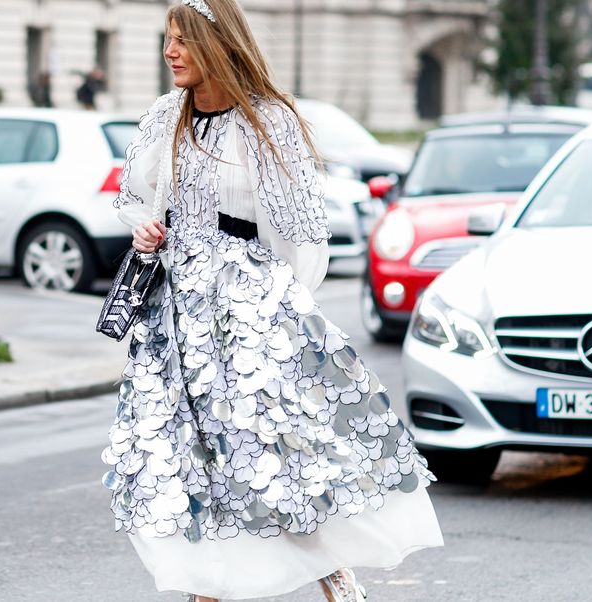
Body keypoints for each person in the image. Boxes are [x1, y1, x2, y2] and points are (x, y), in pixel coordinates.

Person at [101, 2, 443, 601]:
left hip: (247, 318)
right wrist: (148, 227)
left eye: (181, 40)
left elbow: (302, 235)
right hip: (174, 318)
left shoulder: (266, 120)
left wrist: (270, 312)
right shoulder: (163, 117)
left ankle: (334, 573)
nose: (170, 52)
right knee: (187, 459)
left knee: (268, 461)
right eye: (166, 40)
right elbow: (135, 196)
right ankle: (206, 590)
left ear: (215, 42)